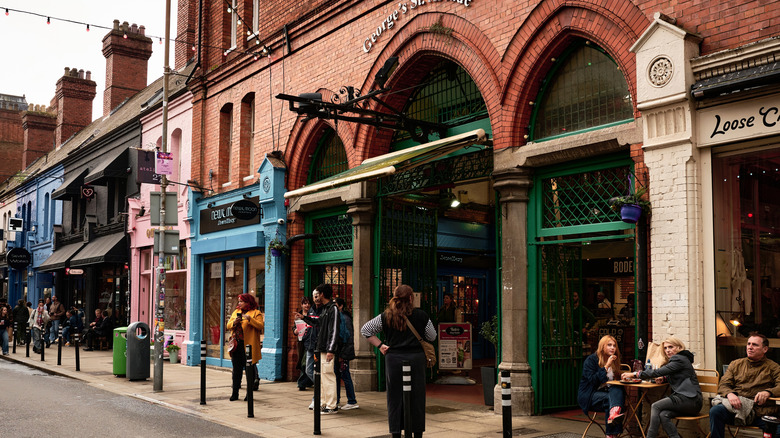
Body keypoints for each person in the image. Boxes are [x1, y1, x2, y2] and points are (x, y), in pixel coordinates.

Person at [361, 284, 437, 438]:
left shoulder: (386, 316)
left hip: (393, 360)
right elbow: (432, 336)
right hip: (416, 359)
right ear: (410, 298)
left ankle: (396, 432)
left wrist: (381, 345)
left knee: (394, 397)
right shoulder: (421, 315)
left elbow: (365, 330)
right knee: (417, 396)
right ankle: (417, 433)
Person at [621, 337, 702, 438]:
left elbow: (657, 372)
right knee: (664, 415)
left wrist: (635, 374)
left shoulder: (678, 359)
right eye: (665, 348)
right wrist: (664, 379)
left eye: (670, 347)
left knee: (656, 406)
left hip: (690, 400)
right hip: (691, 401)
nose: (667, 350)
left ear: (679, 347)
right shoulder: (682, 359)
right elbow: (679, 375)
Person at [709, 333, 780, 438]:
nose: (750, 347)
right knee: (715, 411)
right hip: (737, 409)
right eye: (748, 344)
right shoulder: (736, 364)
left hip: (759, 413)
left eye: (755, 345)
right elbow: (724, 384)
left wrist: (768, 392)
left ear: (765, 349)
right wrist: (730, 394)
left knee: (778, 430)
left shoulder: (773, 367)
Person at [577, 335, 625, 438]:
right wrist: (606, 366)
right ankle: (613, 432)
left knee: (615, 392)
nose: (613, 348)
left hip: (606, 394)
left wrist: (624, 376)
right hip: (590, 395)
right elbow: (593, 380)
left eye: (614, 345)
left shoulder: (614, 360)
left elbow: (613, 381)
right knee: (612, 399)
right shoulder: (591, 360)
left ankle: (611, 425)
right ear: (602, 346)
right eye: (609, 345)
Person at [226, 293, 264, 401]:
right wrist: (234, 322)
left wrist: (250, 319)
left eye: (241, 301)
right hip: (236, 346)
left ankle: (249, 394)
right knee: (236, 370)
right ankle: (235, 393)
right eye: (239, 301)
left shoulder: (256, 313)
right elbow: (228, 325)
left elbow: (260, 326)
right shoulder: (236, 312)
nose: (239, 303)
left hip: (249, 347)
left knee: (249, 371)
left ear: (248, 302)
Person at [311, 284, 340, 414]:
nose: (316, 296)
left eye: (318, 293)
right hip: (321, 347)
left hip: (327, 348)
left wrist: (331, 350)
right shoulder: (325, 309)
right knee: (321, 377)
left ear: (322, 294)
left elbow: (334, 330)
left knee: (328, 376)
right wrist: (304, 318)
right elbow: (319, 324)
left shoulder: (333, 309)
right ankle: (323, 402)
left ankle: (331, 405)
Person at [295, 289, 323, 409]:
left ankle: (317, 397)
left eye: (317, 296)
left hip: (320, 346)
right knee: (308, 370)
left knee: (317, 372)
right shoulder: (311, 311)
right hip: (309, 346)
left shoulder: (326, 310)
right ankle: (321, 388)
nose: (316, 298)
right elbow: (297, 327)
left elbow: (318, 324)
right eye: (314, 296)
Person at [335, 297, 358, 410]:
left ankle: (352, 400)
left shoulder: (345, 318)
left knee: (345, 376)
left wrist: (342, 355)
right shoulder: (339, 317)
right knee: (338, 376)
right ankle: (337, 399)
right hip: (340, 353)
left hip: (343, 353)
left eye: (336, 304)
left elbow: (348, 338)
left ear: (341, 306)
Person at [294, 296, 314, 391]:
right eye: (305, 303)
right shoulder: (299, 315)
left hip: (310, 341)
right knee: (302, 360)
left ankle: (301, 383)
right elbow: (294, 327)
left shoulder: (313, 314)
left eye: (308, 303)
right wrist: (295, 331)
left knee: (304, 363)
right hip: (301, 341)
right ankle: (309, 381)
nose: (307, 305)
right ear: (301, 305)